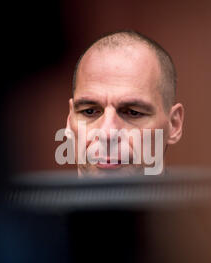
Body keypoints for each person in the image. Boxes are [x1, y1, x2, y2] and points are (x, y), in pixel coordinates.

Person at [65, 30, 184, 177]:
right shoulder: (32, 199)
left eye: (133, 112)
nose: (107, 133)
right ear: (70, 122)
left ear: (174, 124)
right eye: (89, 112)